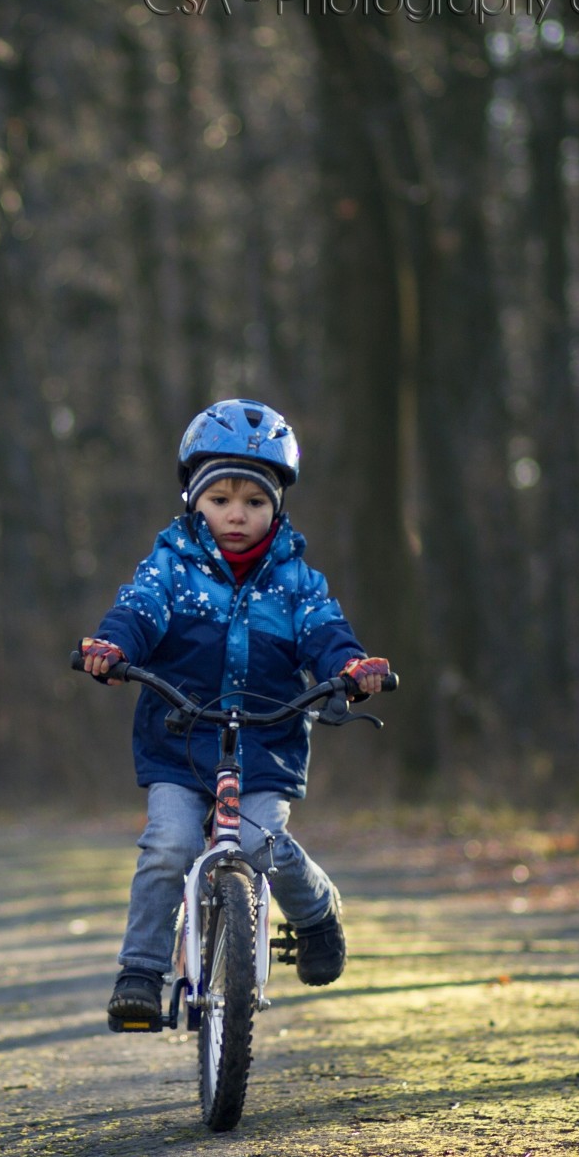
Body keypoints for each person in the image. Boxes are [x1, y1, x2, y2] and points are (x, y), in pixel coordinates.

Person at [78, 398, 391, 1032]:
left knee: (260, 845)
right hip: (181, 737)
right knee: (167, 846)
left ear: (276, 507)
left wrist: (352, 666)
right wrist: (114, 647)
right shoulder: (170, 567)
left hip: (266, 740)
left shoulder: (295, 581)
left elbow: (323, 632)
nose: (237, 514)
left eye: (254, 501)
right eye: (220, 499)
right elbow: (139, 612)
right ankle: (140, 971)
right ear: (195, 501)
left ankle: (316, 913)